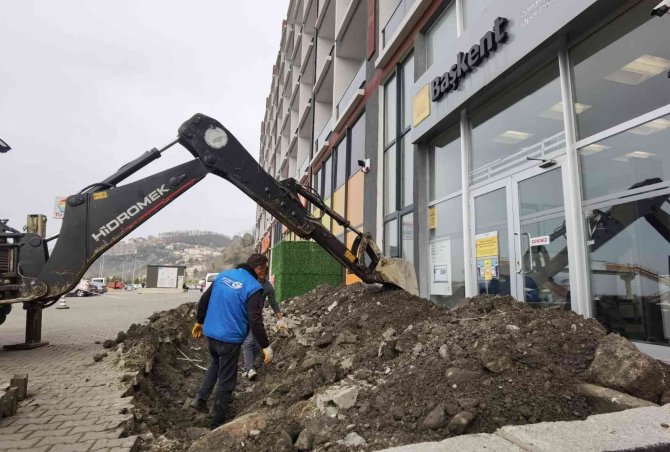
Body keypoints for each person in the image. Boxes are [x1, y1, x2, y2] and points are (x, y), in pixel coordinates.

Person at [189, 256, 273, 428]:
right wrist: (265, 345)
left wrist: (200, 321)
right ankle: (217, 420)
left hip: (211, 333)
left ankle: (200, 398)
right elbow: (255, 320)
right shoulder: (253, 287)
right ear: (257, 269)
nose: (264, 273)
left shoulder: (223, 275)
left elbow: (204, 299)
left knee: (216, 364)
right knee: (227, 379)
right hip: (230, 338)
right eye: (264, 269)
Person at [241, 254, 282, 381]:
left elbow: (274, 303)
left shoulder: (268, 286)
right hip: (244, 315)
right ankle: (249, 368)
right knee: (248, 342)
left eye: (264, 272)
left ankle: (253, 366)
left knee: (258, 342)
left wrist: (281, 318)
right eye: (260, 272)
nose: (262, 274)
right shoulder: (248, 282)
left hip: (256, 317)